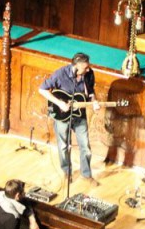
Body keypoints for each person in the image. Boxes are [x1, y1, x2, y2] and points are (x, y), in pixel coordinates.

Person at [39, 52, 100, 187]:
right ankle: (67, 172)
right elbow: (42, 90)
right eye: (85, 67)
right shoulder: (61, 74)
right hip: (62, 116)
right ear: (76, 66)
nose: (88, 69)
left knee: (85, 146)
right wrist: (60, 103)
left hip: (80, 115)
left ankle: (86, 175)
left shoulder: (89, 74)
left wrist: (94, 101)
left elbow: (90, 92)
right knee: (63, 146)